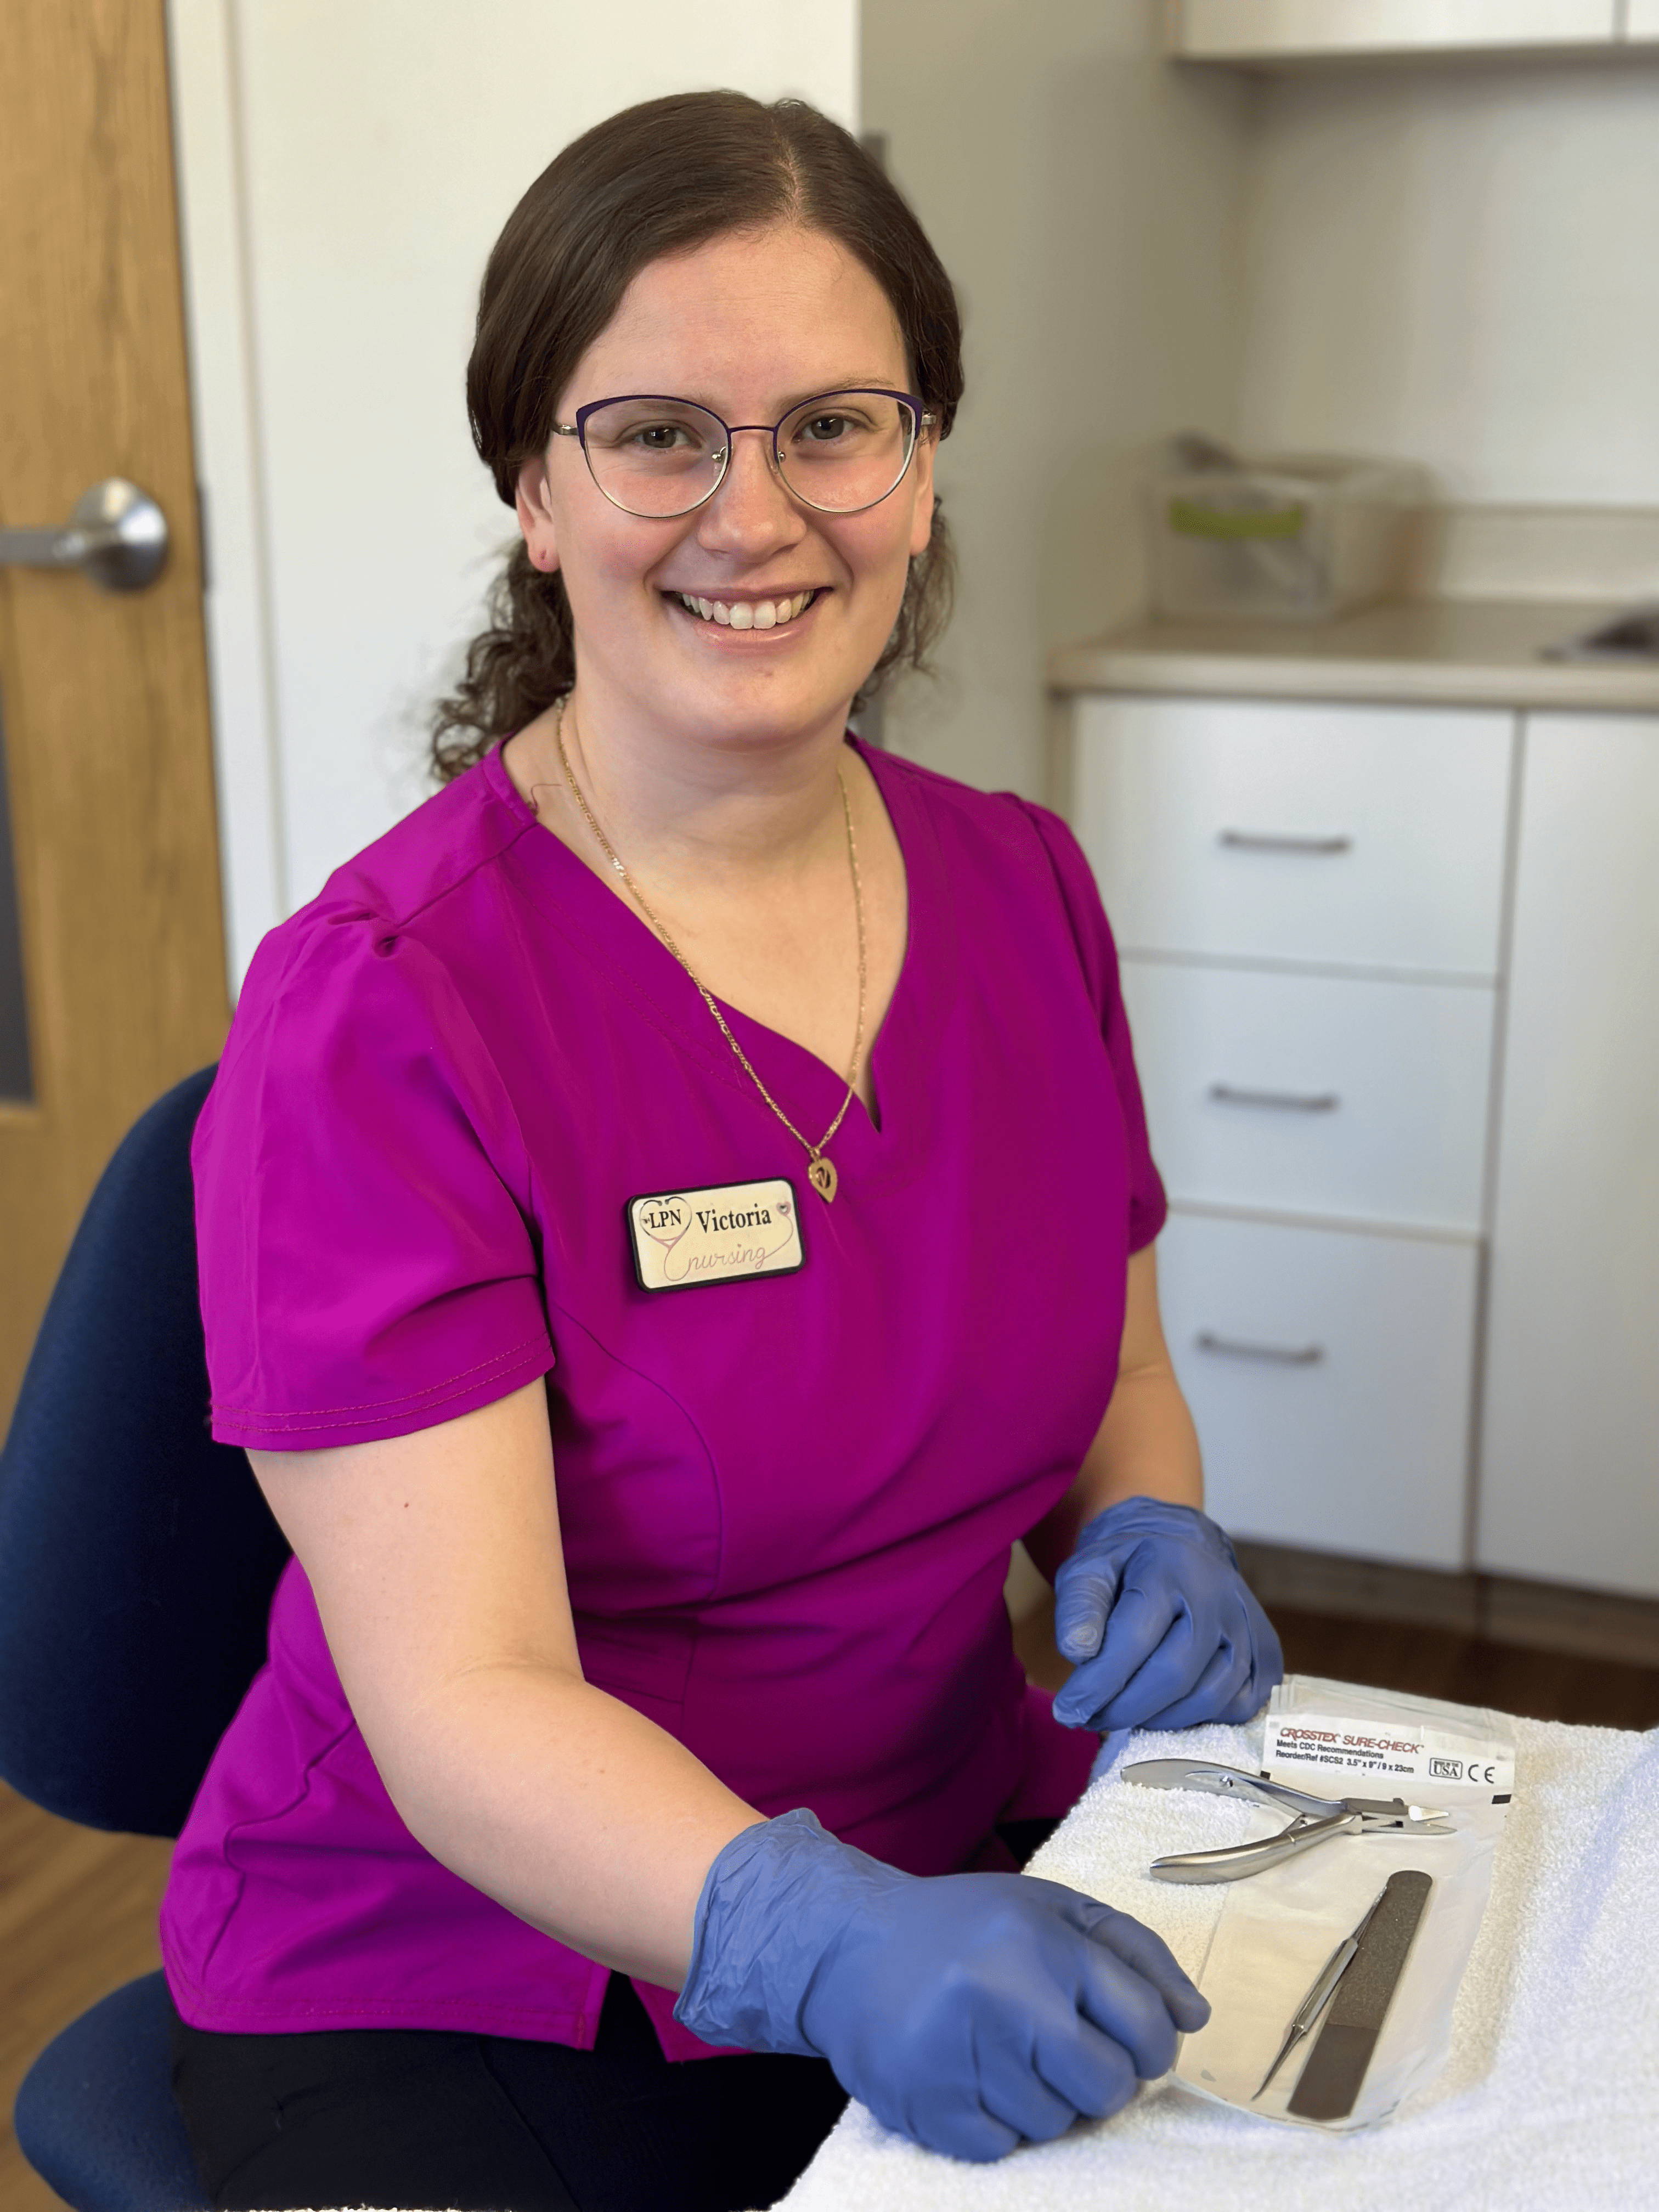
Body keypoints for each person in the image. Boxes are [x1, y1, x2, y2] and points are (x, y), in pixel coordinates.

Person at [161, 89, 1282, 2212]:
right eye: (657, 431)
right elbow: (469, 1699)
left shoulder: (1024, 887)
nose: (753, 514)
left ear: (922, 469)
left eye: (834, 426)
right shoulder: (383, 1010)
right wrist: (811, 1936)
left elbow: (1113, 1371)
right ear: (532, 488)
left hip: (965, 1863)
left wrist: (1149, 1534)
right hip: (476, 1959)